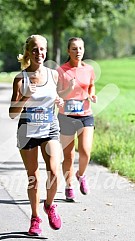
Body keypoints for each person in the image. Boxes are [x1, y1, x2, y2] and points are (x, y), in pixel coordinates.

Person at [9, 35, 63, 236]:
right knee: (34, 177)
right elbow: (13, 113)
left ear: (46, 51)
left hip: (49, 128)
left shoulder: (53, 75)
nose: (39, 53)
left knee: (54, 172)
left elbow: (53, 98)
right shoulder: (20, 78)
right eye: (34, 49)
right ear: (28, 52)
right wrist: (25, 96)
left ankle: (49, 205)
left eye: (42, 49)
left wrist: (58, 102)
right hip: (27, 131)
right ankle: (35, 217)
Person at [57, 37, 97, 202]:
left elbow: (91, 85)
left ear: (84, 50)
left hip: (85, 114)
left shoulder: (89, 69)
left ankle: (81, 175)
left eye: (80, 48)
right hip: (66, 116)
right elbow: (59, 94)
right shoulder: (61, 71)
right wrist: (70, 88)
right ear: (68, 51)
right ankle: (69, 186)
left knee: (85, 152)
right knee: (68, 155)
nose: (78, 51)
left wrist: (92, 94)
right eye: (74, 48)